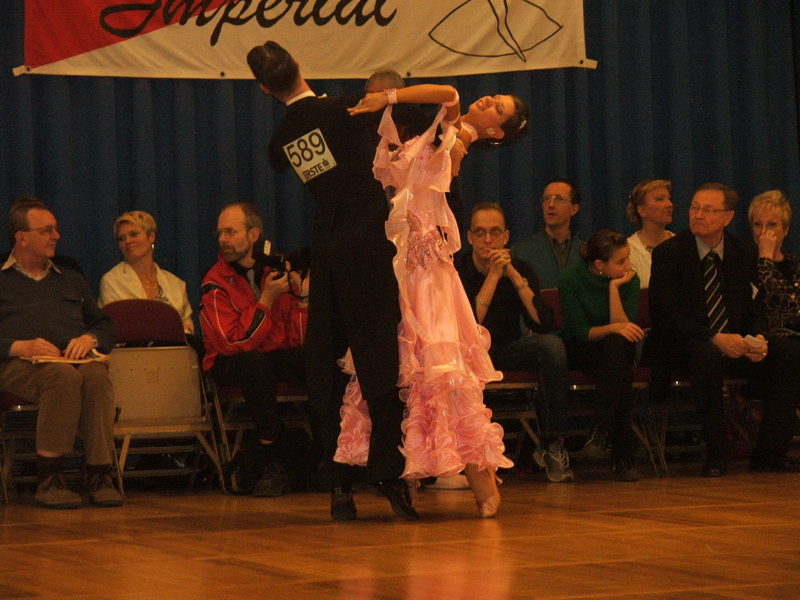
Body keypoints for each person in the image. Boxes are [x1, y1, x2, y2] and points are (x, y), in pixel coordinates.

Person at [340, 82, 528, 517]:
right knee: (406, 369)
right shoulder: (445, 133)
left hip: (426, 271)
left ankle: (483, 485)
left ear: (497, 131)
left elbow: (448, 92)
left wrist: (388, 97)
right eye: (495, 97)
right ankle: (411, 475)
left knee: (441, 373)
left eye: (498, 108)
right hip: (401, 263)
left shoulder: (456, 138)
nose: (489, 101)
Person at [247, 41, 416, 521]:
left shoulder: (283, 139)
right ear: (299, 64)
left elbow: (282, 161)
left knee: (326, 366)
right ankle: (387, 472)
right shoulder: (345, 108)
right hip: (370, 247)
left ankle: (338, 483)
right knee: (378, 360)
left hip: (328, 250)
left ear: (264, 90)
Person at [649, 183, 799, 476]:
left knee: (789, 352)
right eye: (694, 208)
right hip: (685, 346)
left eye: (708, 210)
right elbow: (666, 316)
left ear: (727, 217)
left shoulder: (743, 251)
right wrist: (714, 338)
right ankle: (717, 454)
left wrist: (758, 339)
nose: (698, 215)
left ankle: (769, 453)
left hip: (735, 343)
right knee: (706, 355)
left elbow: (755, 307)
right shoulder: (670, 253)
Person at [0, 197, 123, 508]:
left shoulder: (70, 277)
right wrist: (18, 346)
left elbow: (104, 324)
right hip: (17, 364)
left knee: (95, 375)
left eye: (55, 229)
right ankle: (49, 478)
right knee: (62, 376)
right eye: (46, 230)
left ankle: (100, 474)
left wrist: (90, 338)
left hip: (70, 360)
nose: (56, 235)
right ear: (21, 238)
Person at [455, 201, 573, 483]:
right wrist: (494, 277)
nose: (488, 239)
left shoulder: (520, 268)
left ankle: (552, 445)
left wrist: (513, 275)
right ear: (469, 237)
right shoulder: (456, 270)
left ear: (506, 237)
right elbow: (469, 328)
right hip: (466, 355)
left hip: (506, 350)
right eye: (480, 232)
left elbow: (543, 322)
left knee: (551, 346)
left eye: (495, 232)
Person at [200, 202, 309, 496]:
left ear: (253, 235)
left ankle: (333, 452)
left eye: (230, 232)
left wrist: (302, 298)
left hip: (269, 353)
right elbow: (232, 343)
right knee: (254, 363)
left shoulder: (274, 271)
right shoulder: (214, 282)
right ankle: (271, 460)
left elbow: (293, 338)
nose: (222, 239)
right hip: (229, 361)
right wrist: (266, 301)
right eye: (219, 233)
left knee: (316, 359)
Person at [558, 228, 643, 481]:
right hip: (580, 347)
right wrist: (613, 329)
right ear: (599, 264)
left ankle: (600, 431)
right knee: (619, 370)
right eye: (621, 261)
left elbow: (625, 329)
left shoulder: (629, 280)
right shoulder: (570, 278)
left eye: (628, 258)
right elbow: (581, 331)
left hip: (615, 349)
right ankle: (621, 455)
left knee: (616, 352)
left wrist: (614, 289)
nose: (629, 265)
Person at [747, 190, 800, 471]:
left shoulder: (795, 264)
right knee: (789, 352)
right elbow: (778, 306)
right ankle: (768, 453)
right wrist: (765, 259)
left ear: (786, 230)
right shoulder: (746, 264)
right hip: (760, 344)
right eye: (758, 225)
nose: (764, 232)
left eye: (772, 225)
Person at [98, 210, 194, 334]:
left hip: (173, 346)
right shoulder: (111, 282)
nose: (127, 241)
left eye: (133, 234)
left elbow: (187, 328)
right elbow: (118, 328)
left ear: (151, 236)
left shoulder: (176, 284)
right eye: (121, 238)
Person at [512, 178, 585, 290]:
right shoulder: (521, 251)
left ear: (574, 209)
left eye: (559, 199)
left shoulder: (585, 252)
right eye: (547, 198)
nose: (551, 204)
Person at [625, 179, 674, 288]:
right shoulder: (628, 250)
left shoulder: (682, 245)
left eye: (669, 199)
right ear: (642, 211)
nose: (669, 204)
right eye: (660, 199)